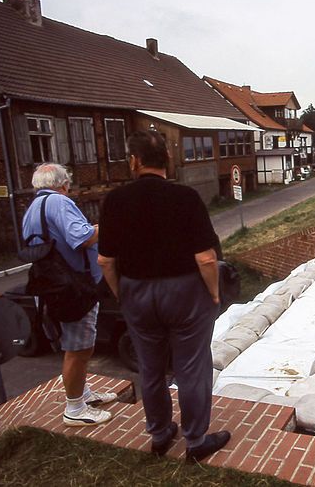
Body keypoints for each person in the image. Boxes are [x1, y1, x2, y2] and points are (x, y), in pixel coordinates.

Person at [97, 130, 229, 462]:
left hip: (137, 292)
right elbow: (206, 258)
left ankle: (159, 435)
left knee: (151, 368)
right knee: (191, 367)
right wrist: (213, 293)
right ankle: (195, 440)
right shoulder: (185, 198)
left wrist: (123, 296)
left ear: (134, 161)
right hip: (184, 292)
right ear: (167, 162)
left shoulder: (114, 201)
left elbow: (106, 261)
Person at [21, 163, 116, 427]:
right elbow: (82, 237)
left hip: (55, 283)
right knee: (78, 347)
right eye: (69, 185)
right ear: (63, 185)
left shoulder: (33, 208)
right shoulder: (59, 203)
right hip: (75, 286)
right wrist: (104, 227)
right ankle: (74, 408)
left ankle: (82, 394)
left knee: (80, 343)